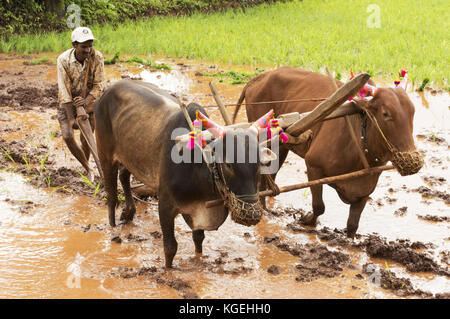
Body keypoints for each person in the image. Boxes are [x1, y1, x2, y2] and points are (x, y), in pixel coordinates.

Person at [57, 27, 106, 181]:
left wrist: (86, 101)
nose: (88, 50)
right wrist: (71, 117)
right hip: (68, 103)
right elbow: (64, 90)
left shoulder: (97, 57)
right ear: (74, 45)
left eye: (90, 45)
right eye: (84, 46)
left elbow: (100, 84)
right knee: (67, 135)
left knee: (87, 139)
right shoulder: (63, 60)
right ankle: (87, 167)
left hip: (89, 102)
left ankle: (88, 170)